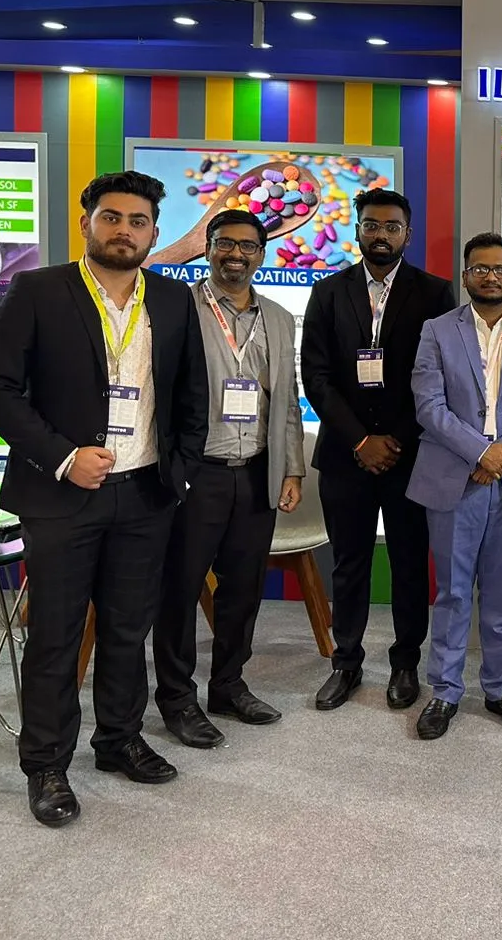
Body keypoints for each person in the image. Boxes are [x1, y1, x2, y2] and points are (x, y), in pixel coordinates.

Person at [0, 171, 209, 827]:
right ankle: (46, 764)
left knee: (128, 628)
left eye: (138, 222)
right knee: (55, 634)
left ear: (154, 234)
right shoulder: (38, 290)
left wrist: (180, 474)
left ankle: (118, 740)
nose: (123, 231)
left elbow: (193, 396)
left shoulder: (172, 299)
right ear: (86, 223)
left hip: (145, 494)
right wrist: (62, 457)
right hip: (61, 496)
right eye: (111, 217)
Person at [150, 209, 305, 749]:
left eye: (247, 246)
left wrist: (291, 467)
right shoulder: (178, 307)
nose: (235, 254)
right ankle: (176, 697)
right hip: (197, 472)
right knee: (181, 588)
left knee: (242, 589)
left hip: (257, 472)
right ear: (208, 248)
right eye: (224, 243)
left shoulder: (279, 318)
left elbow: (286, 399)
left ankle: (228, 685)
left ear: (261, 255)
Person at [300, 188, 455, 713]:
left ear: (407, 234)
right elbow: (316, 376)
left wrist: (394, 439)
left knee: (410, 562)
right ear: (357, 230)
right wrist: (360, 440)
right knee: (349, 563)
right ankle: (345, 662)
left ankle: (405, 662)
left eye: (392, 227)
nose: (381, 235)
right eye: (371, 225)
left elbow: (439, 378)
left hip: (411, 455)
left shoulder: (434, 293)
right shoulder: (328, 291)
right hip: (346, 454)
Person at [409, 233, 502, 740]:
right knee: (452, 593)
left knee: (501, 594)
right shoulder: (437, 330)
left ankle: (500, 687)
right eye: (480, 268)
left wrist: (500, 457)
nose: (490, 276)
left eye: (500, 269)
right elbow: (429, 406)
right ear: (466, 274)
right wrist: (480, 452)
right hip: (455, 478)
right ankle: (445, 690)